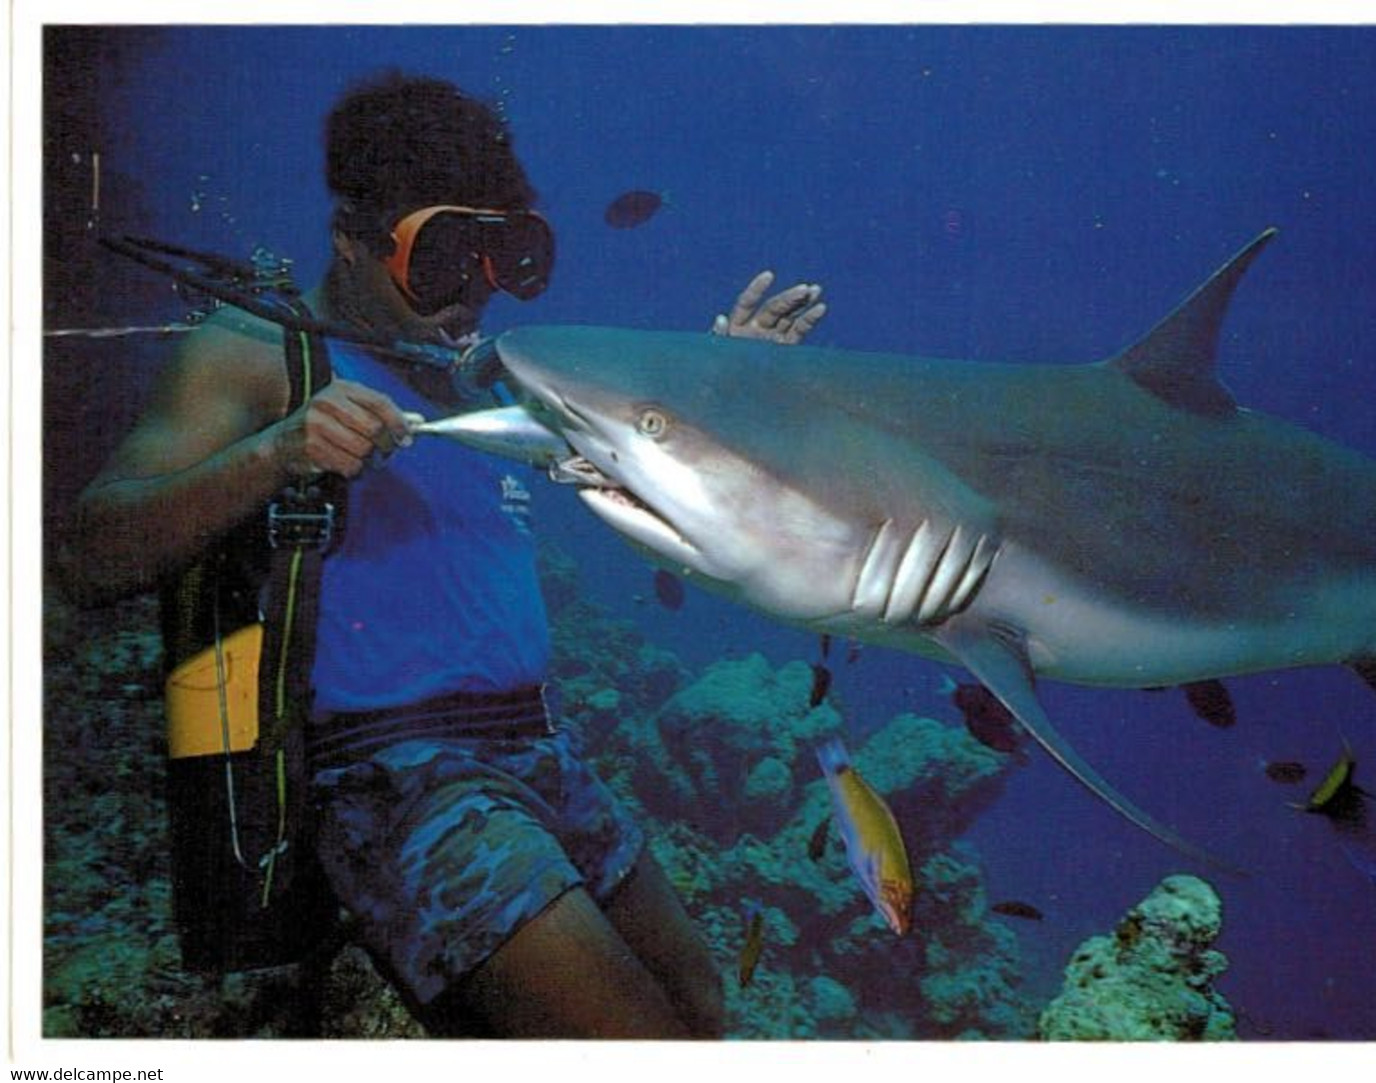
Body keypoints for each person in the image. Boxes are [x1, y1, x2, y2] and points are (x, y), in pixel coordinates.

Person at [57, 71, 828, 1038]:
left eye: (501, 257)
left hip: (543, 747)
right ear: (351, 237)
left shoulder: (481, 371)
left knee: (699, 1005)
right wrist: (278, 449)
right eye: (442, 258)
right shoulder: (256, 352)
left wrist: (722, 385)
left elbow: (644, 457)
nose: (471, 295)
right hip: (396, 773)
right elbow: (87, 553)